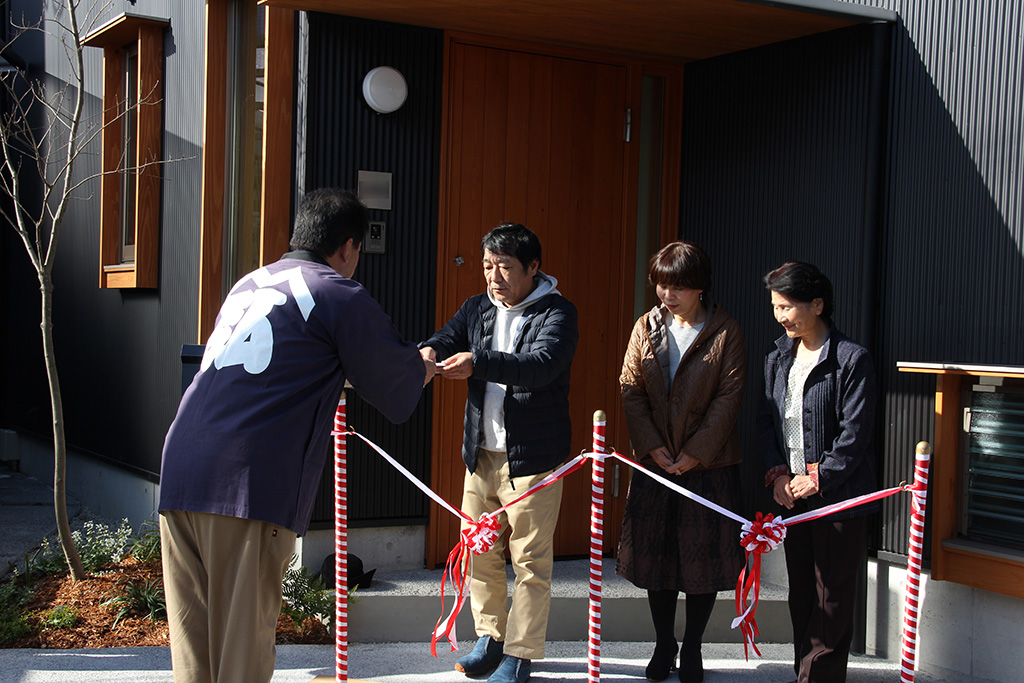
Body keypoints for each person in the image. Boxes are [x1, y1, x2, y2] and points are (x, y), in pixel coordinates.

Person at [158, 188, 435, 683]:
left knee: (194, 648)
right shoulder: (334, 291)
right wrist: (426, 365)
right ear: (349, 247)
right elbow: (394, 383)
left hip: (180, 468)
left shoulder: (249, 283)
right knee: (241, 650)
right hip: (246, 483)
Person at [420, 223, 578, 683]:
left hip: (533, 459)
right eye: (488, 266)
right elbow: (448, 336)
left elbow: (543, 366)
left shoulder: (558, 312)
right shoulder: (477, 308)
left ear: (533, 268)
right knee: (479, 551)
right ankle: (489, 639)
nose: (494, 277)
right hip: (481, 455)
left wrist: (478, 361)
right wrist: (429, 352)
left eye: (505, 267)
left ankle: (521, 653)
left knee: (529, 560)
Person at [617, 241, 746, 683]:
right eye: (661, 284)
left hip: (709, 468)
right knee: (657, 559)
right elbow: (630, 389)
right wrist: (652, 447)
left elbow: (729, 398)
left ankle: (692, 647)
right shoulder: (645, 326)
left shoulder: (725, 331)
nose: (667, 295)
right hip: (655, 464)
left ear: (700, 287)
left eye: (678, 287)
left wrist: (695, 453)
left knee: (702, 563)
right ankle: (662, 643)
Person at [757, 261, 878, 683]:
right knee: (802, 594)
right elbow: (766, 422)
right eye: (775, 307)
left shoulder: (850, 359)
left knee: (832, 597)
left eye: (788, 306)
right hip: (792, 495)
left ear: (818, 304)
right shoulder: (776, 358)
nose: (781, 316)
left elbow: (856, 432)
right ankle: (803, 672)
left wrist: (820, 477)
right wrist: (777, 476)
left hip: (839, 497)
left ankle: (819, 678)